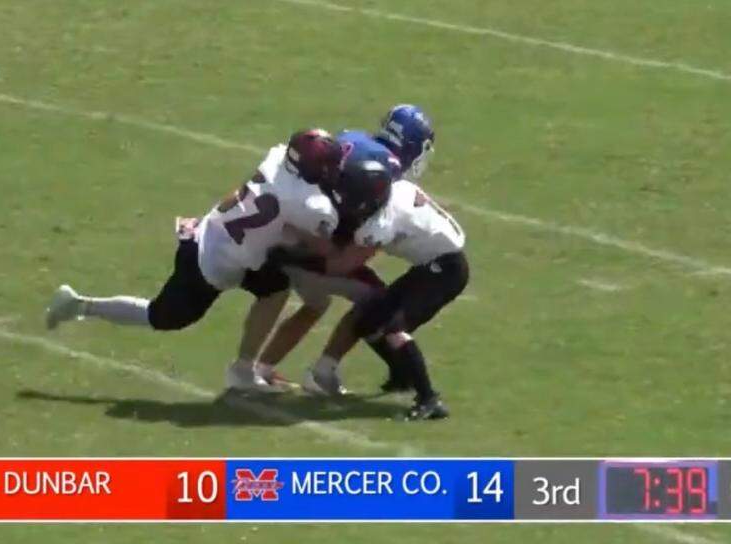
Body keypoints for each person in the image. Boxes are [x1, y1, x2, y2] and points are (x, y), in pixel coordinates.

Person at [45, 130, 391, 392]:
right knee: (163, 317)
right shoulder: (313, 207)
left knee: (275, 287)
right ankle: (78, 305)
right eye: (329, 166)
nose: (335, 171)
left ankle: (243, 370)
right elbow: (324, 249)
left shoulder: (276, 159)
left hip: (223, 236)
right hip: (210, 262)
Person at [257, 105, 437, 392]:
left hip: (286, 229)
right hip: (313, 246)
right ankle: (323, 372)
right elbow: (366, 228)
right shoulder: (386, 168)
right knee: (376, 301)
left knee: (316, 304)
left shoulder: (353, 137)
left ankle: (261, 369)